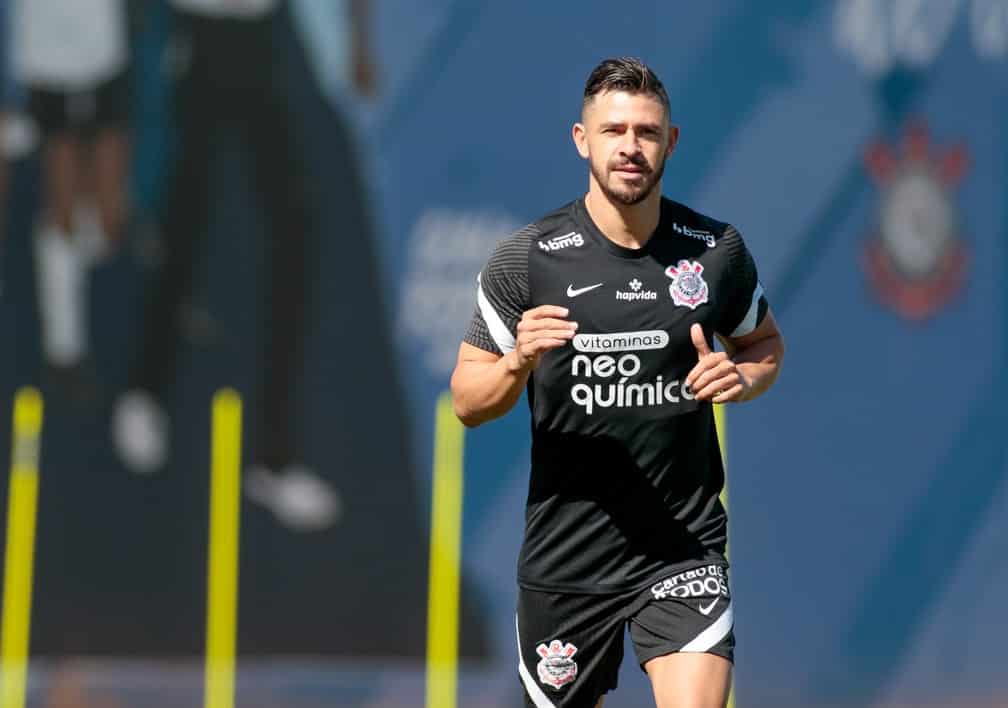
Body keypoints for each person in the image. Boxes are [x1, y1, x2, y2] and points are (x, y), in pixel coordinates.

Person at [451, 57, 785, 708]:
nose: (630, 147)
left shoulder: (715, 251)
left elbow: (765, 344)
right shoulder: (526, 261)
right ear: (582, 139)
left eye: (646, 131)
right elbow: (467, 402)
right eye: (613, 131)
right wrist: (517, 361)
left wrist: (741, 377)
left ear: (671, 142)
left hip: (681, 551)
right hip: (567, 564)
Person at [112, 0, 373, 530]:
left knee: (296, 229)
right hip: (197, 36)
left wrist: (358, 45)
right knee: (187, 223)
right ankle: (144, 393)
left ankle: (273, 458)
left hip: (265, 38)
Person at [11, 0, 131, 393]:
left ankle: (101, 318)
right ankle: (64, 347)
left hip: (104, 43)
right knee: (61, 190)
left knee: (108, 210)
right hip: (47, 47)